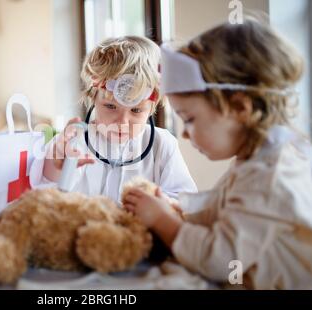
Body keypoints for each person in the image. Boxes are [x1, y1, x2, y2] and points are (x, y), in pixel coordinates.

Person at [123, 18, 312, 289]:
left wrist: (163, 220)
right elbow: (226, 211)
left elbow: (221, 260)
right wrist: (177, 210)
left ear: (239, 108)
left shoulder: (270, 176)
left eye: (189, 119)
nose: (185, 134)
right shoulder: (258, 158)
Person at [29, 36, 197, 203]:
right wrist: (57, 165)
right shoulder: (74, 141)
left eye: (136, 110)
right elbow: (46, 188)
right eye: (110, 107)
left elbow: (184, 201)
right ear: (93, 97)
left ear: (152, 107)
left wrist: (158, 205)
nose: (122, 123)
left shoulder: (163, 145)